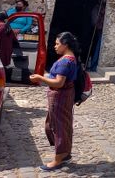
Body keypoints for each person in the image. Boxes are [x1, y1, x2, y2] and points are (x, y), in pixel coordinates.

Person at [30, 32, 79, 170]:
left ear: (65, 45)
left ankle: (58, 159)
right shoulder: (69, 58)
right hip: (65, 96)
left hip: (60, 97)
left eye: (57, 44)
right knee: (62, 124)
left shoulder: (65, 61)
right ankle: (65, 154)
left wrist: (40, 78)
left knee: (59, 127)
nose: (55, 46)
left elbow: (58, 83)